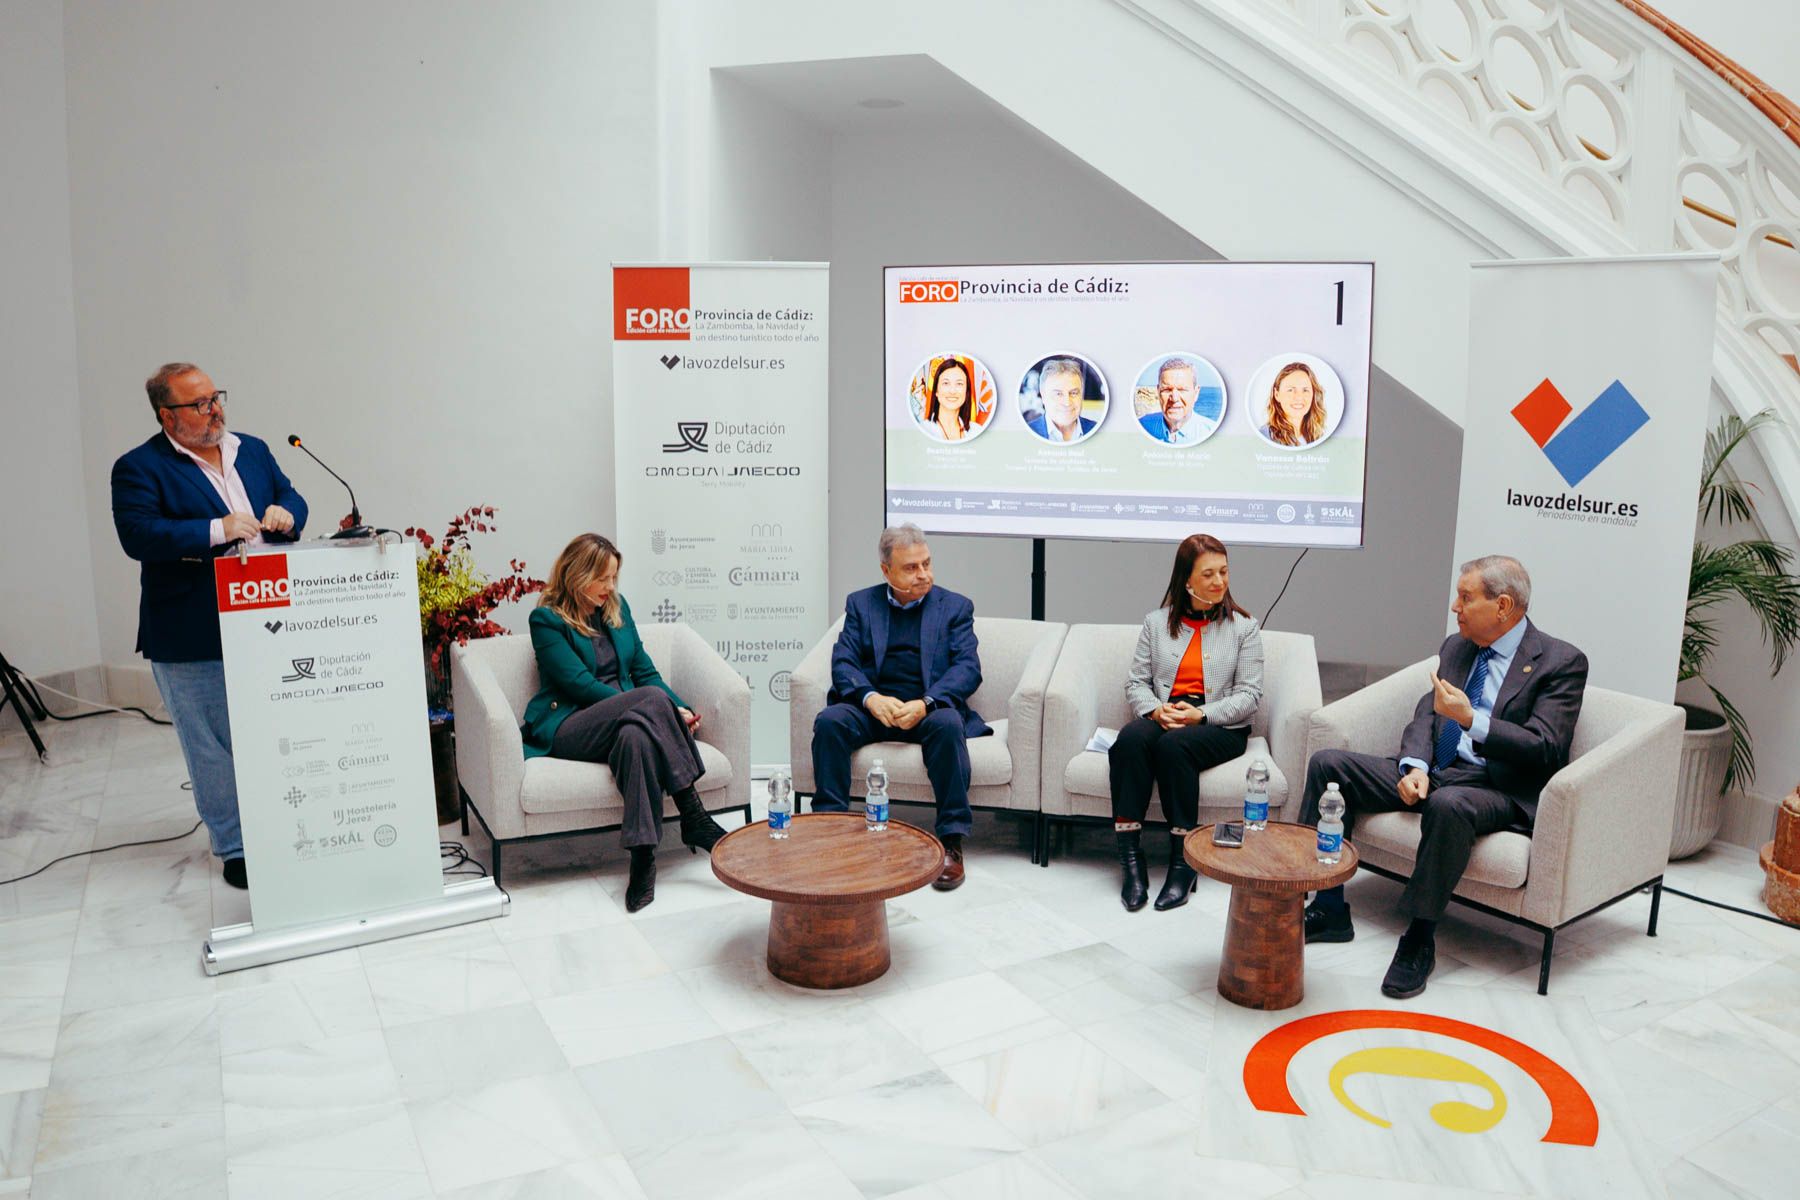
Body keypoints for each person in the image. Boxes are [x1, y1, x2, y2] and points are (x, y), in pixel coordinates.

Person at [1299, 555, 1586, 999]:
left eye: (1466, 597)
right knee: (1329, 764)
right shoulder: (1458, 646)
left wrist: (1474, 721)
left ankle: (1419, 938)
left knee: (1447, 805)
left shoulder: (1560, 662)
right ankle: (1327, 905)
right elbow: (1425, 714)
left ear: (1504, 606)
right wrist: (1414, 766)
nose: (1455, 606)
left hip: (1496, 786)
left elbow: (1545, 745)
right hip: (1438, 770)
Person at [111, 362, 309, 889]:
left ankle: (287, 823)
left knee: (279, 733)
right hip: (191, 627)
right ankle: (237, 846)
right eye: (198, 404)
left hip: (272, 616)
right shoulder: (138, 468)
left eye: (215, 397)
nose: (214, 409)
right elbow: (139, 535)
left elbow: (293, 497)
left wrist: (288, 514)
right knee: (213, 744)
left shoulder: (255, 449)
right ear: (166, 416)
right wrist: (215, 529)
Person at [520, 533, 724, 913]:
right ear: (578, 575)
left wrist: (678, 708)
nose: (610, 586)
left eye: (614, 578)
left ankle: (643, 859)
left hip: (628, 721)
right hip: (571, 723)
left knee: (637, 739)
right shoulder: (546, 619)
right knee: (647, 704)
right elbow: (578, 685)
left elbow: (644, 670)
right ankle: (693, 816)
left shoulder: (617, 607)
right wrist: (654, 705)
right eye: (603, 578)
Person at [810, 524, 987, 890]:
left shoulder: (954, 607)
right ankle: (829, 832)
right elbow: (843, 662)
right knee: (830, 722)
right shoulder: (861, 604)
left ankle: (951, 842)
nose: (923, 574)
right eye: (911, 567)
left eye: (927, 564)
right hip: (876, 708)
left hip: (926, 709)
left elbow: (967, 668)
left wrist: (926, 703)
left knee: (949, 725)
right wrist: (870, 698)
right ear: (886, 571)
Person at [1110, 534, 1265, 911]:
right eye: (1208, 574)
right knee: (1129, 741)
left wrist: (1201, 714)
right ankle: (1131, 860)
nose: (1219, 582)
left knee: (1174, 747)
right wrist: (1155, 711)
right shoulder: (1156, 623)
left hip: (1219, 725)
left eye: (1224, 572)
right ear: (1186, 581)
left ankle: (1183, 863)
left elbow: (1249, 697)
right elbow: (1136, 682)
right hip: (1168, 714)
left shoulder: (1244, 627)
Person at [1025, 357, 1099, 443]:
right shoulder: (1026, 433)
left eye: (1074, 393)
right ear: (1043, 396)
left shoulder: (1098, 430)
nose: (1067, 403)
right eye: (1058, 394)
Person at [1259, 361, 1328, 447]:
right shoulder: (1264, 437)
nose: (1299, 397)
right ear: (1277, 395)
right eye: (1290, 390)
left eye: (1305, 390)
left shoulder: (1319, 436)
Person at [1138, 358, 1203, 445]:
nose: (1174, 398)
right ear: (1158, 392)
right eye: (1167, 390)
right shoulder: (1142, 426)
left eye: (1182, 389)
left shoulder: (1210, 432)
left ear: (1196, 393)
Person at [921, 357, 975, 441]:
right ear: (936, 391)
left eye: (959, 384)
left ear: (966, 392)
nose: (952, 391)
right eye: (946, 383)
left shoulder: (977, 430)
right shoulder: (923, 429)